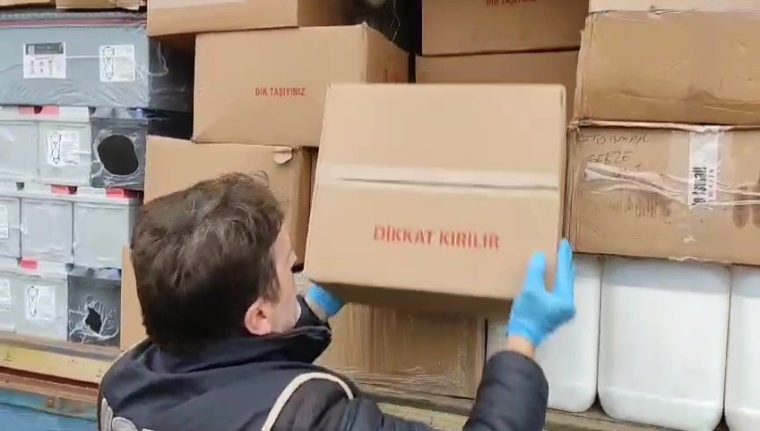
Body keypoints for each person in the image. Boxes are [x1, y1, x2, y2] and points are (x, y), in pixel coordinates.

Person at [98, 173, 576, 431]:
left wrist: (315, 309)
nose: (298, 268)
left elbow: (234, 375)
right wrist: (522, 344)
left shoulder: (123, 384)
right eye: (288, 266)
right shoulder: (314, 419)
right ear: (258, 315)